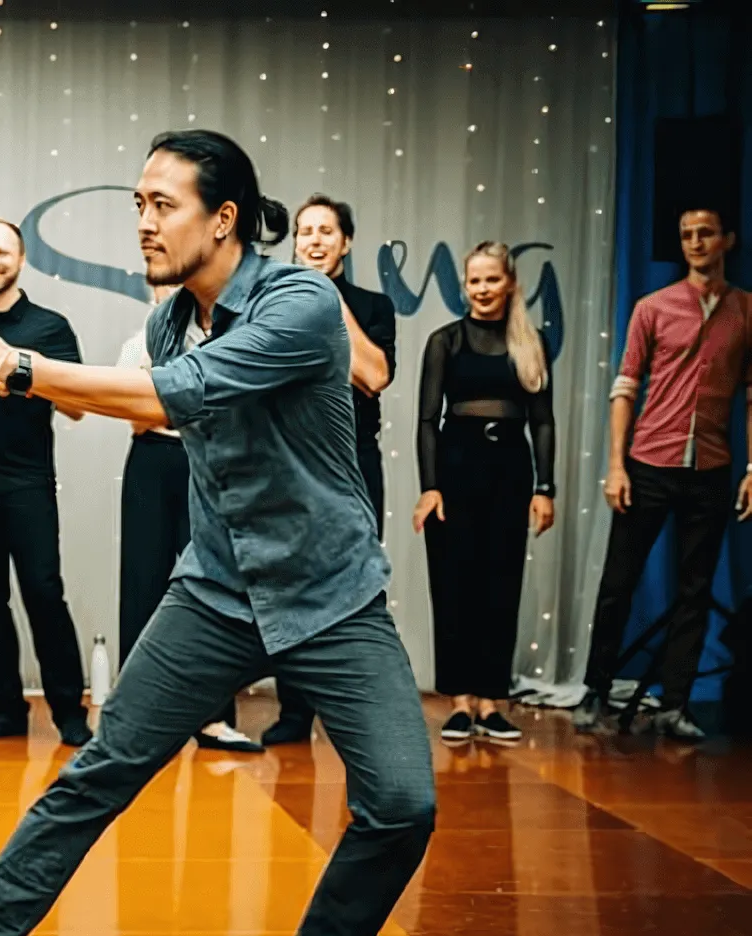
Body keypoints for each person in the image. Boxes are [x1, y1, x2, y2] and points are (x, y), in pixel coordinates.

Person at [0, 130, 436, 936]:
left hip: (332, 594)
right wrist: (3, 373)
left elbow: (176, 395)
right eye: (138, 206)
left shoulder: (302, 302)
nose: (143, 224)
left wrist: (19, 368)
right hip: (217, 594)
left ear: (223, 219)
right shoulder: (165, 319)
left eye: (162, 205)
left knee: (402, 803)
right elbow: (151, 393)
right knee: (97, 777)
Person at [574, 206, 752, 741]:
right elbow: (624, 387)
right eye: (686, 236)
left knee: (695, 589)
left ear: (727, 240)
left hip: (712, 466)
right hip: (651, 461)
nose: (695, 243)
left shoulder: (745, 311)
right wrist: (615, 466)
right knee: (618, 583)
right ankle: (595, 689)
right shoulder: (653, 307)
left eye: (705, 234)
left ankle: (675, 703)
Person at [0, 219, 91, 747]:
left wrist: (20, 376)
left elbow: (76, 407)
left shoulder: (50, 328)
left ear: (21, 259)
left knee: (43, 594)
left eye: (1, 251)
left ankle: (68, 712)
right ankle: (5, 708)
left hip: (27, 484)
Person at [266, 195, 399, 745]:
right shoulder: (272, 302)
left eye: (326, 231)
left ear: (345, 242)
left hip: (353, 463)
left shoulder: (372, 306)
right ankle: (294, 712)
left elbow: (374, 376)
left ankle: (363, 713)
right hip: (292, 462)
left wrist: (326, 301)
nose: (314, 241)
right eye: (304, 232)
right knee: (291, 584)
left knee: (358, 587)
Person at [412, 243, 556, 743]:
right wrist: (429, 487)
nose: (481, 289)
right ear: (464, 286)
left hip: (509, 471)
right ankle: (459, 701)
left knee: (500, 584)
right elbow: (428, 420)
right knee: (455, 587)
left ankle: (492, 701)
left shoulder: (529, 343)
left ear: (510, 283)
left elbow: (542, 421)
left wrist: (545, 487)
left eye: (491, 280)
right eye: (474, 281)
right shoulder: (445, 341)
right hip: (455, 470)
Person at [116, 286, 260, 754]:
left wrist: (162, 393)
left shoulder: (226, 339)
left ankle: (215, 719)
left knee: (215, 582)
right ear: (151, 289)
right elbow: (136, 416)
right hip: (151, 461)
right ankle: (134, 717)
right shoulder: (138, 342)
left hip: (209, 459)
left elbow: (228, 409)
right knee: (142, 582)